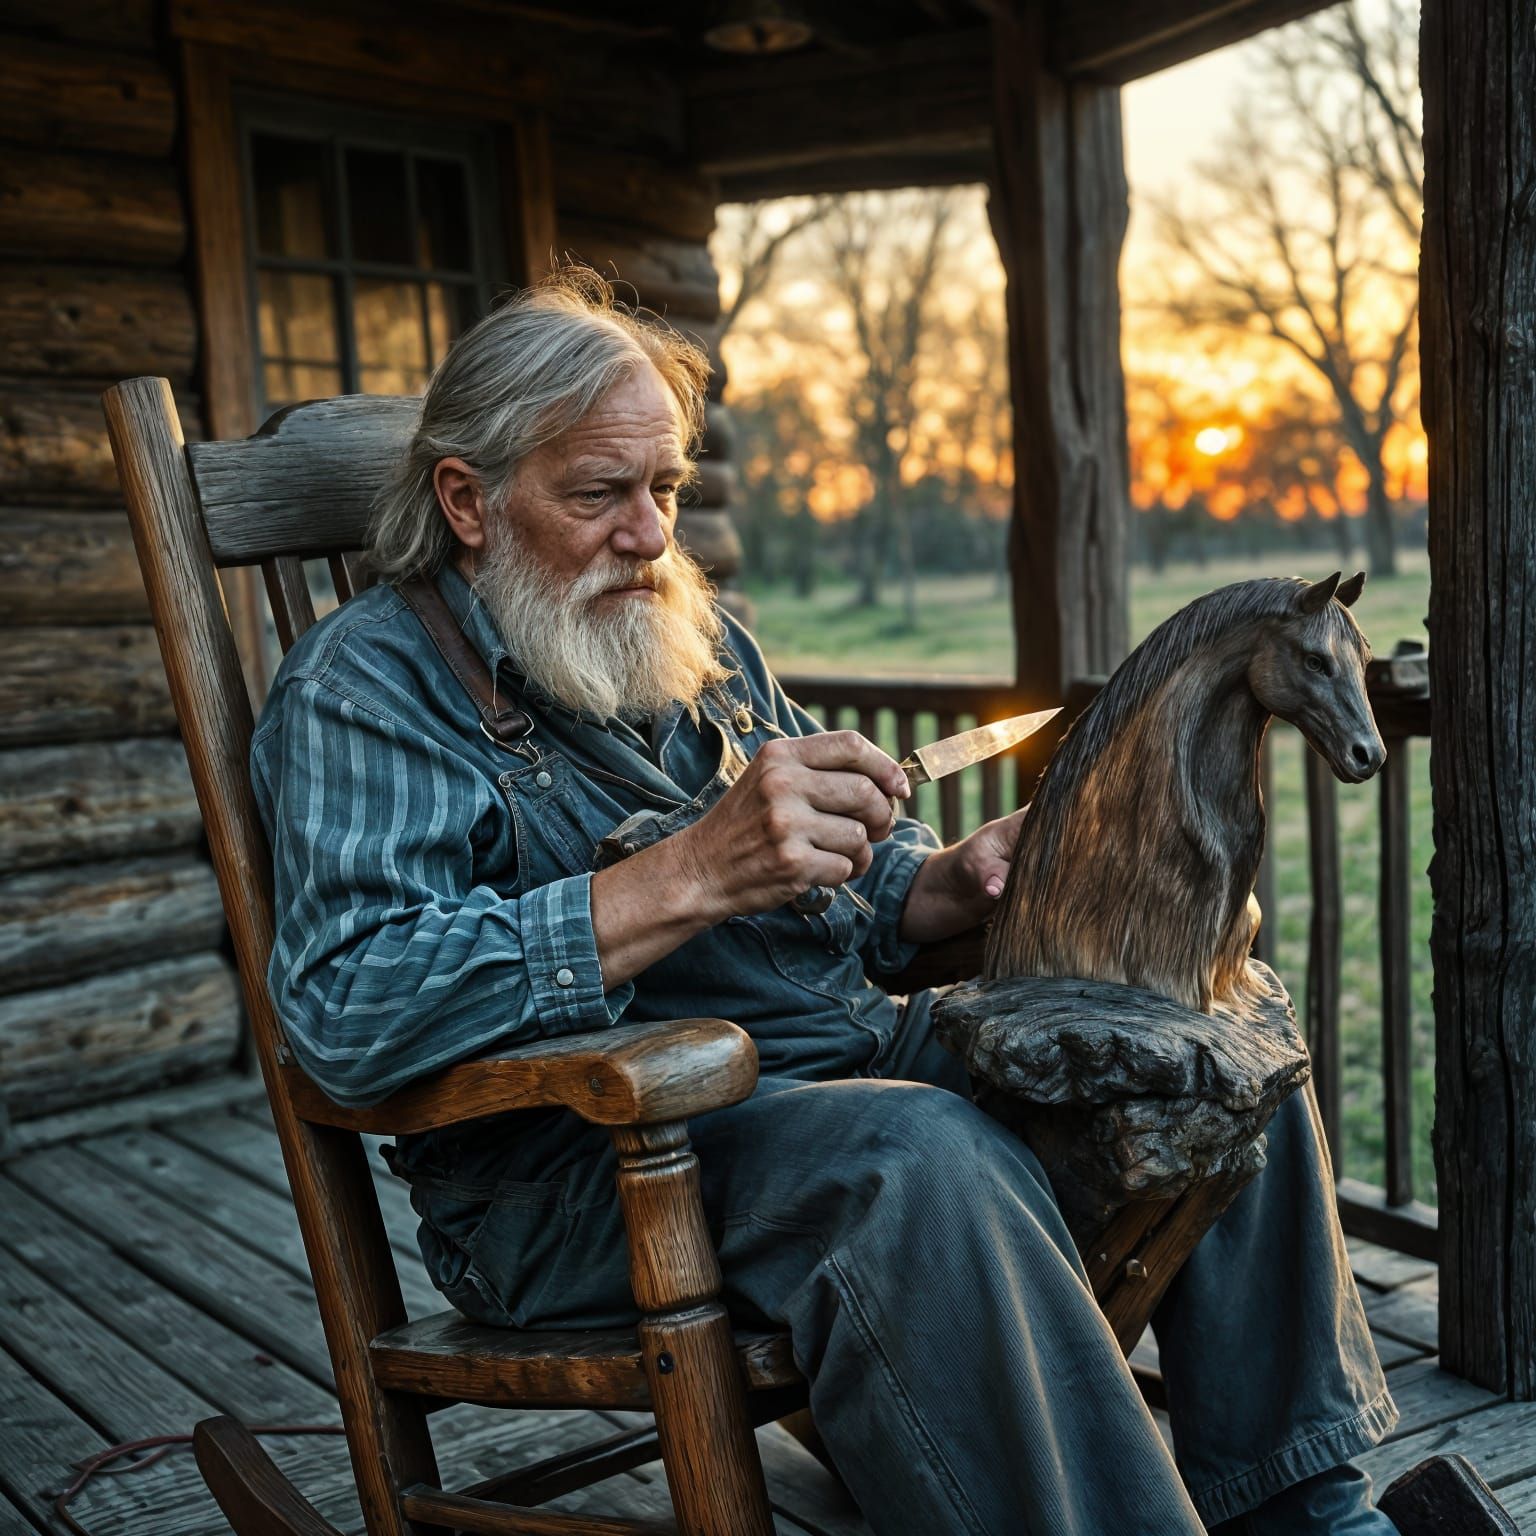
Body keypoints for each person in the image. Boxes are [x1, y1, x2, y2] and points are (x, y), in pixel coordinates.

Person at [253, 270, 1511, 1535]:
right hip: (584, 1171)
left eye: (668, 490)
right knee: (916, 1155)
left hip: (839, 1069)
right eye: (599, 495)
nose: (650, 537)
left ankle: (1314, 1517)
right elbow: (349, 1007)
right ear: (466, 501)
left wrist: (941, 883)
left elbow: (845, 889)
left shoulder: (696, 642)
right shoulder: (364, 693)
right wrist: (690, 870)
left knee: (1199, 1037)